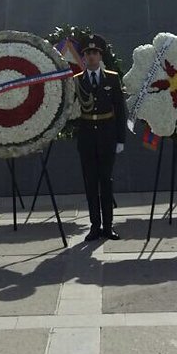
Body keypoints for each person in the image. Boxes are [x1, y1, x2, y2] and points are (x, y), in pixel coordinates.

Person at [74, 35, 127, 242]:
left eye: (95, 53)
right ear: (83, 57)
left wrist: (120, 139)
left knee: (106, 181)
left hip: (107, 136)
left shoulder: (112, 78)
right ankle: (94, 226)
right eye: (88, 53)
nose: (91, 56)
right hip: (87, 137)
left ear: (100, 55)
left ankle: (108, 226)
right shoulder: (77, 80)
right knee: (90, 183)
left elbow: (120, 110)